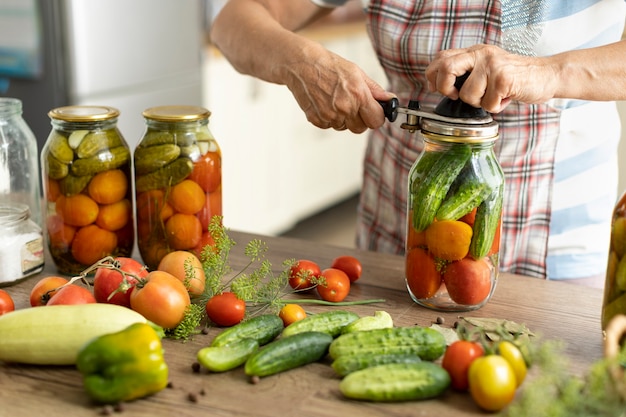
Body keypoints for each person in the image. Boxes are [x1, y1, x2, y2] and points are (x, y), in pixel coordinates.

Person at [211, 0, 626, 288]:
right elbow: (231, 22)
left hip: (556, 241)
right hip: (397, 229)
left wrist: (549, 72)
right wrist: (300, 61)